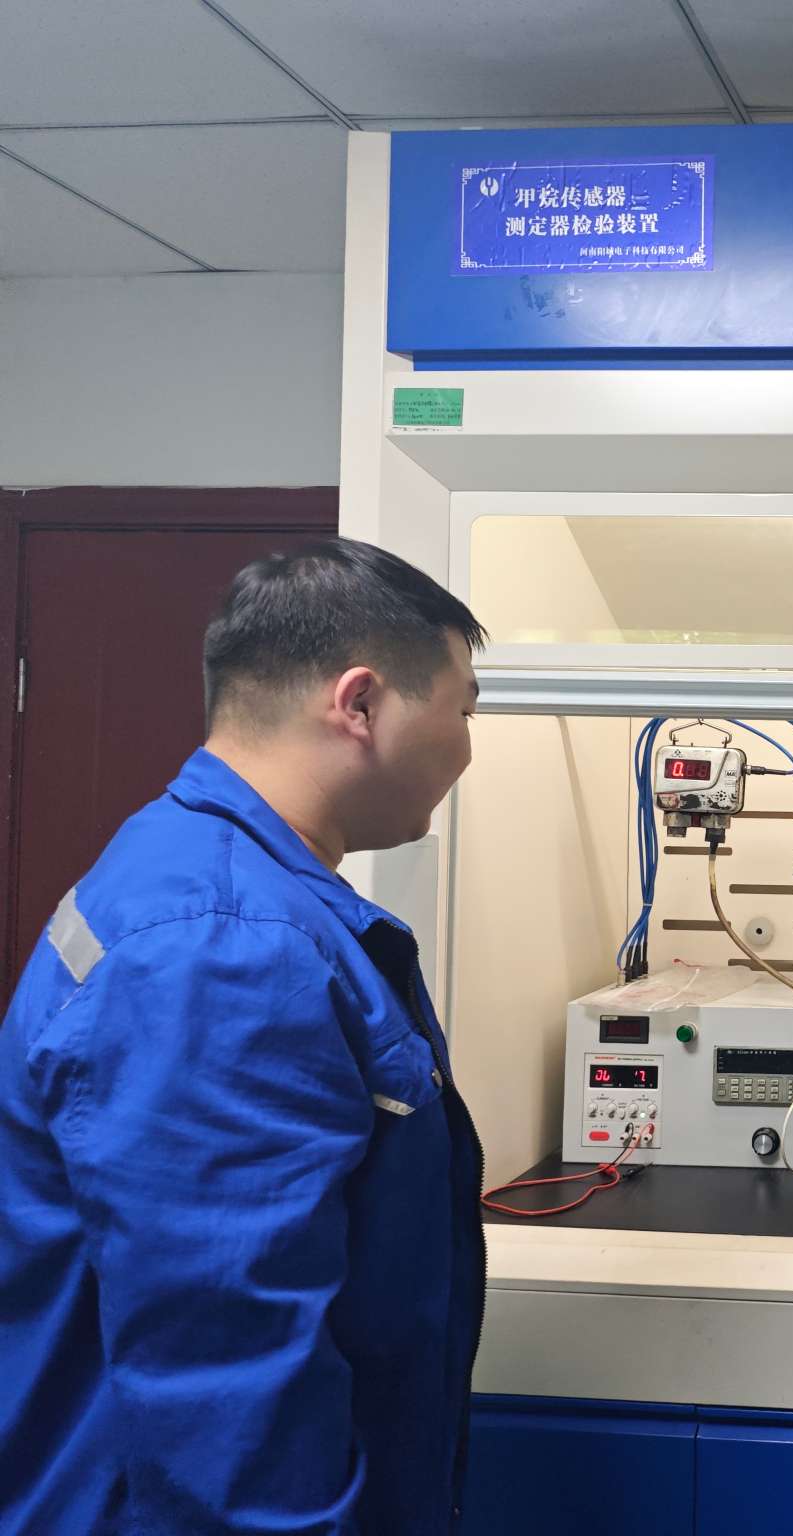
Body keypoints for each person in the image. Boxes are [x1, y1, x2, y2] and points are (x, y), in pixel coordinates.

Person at [0, 538, 488, 1535]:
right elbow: (225, 1390)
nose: (466, 751)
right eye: (462, 711)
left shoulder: (212, 881)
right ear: (360, 704)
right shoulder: (221, 946)